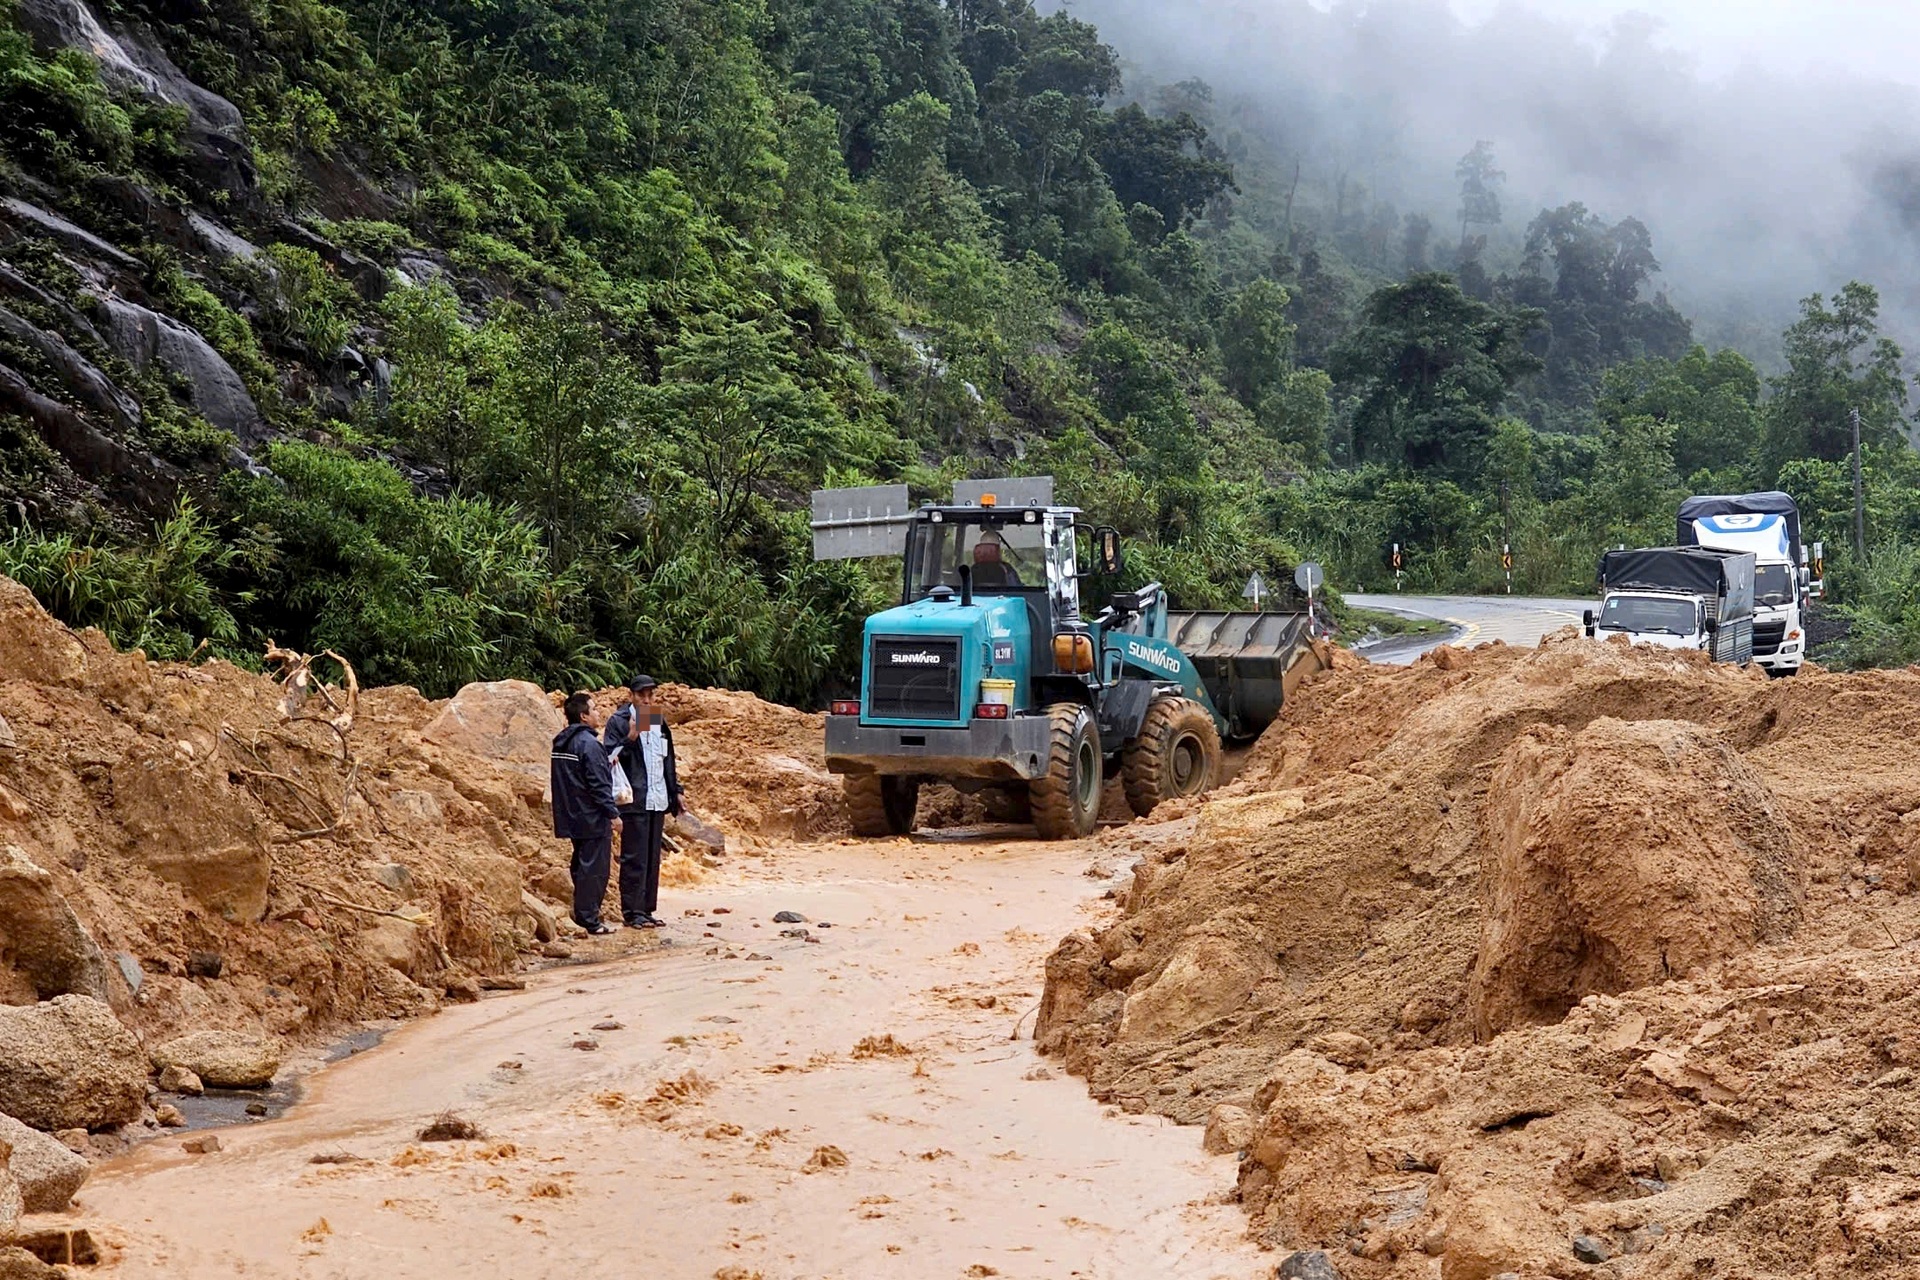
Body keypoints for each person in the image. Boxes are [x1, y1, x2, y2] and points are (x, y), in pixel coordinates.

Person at [603, 675, 684, 929]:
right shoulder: (619, 720)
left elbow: (665, 760)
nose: (647, 700)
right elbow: (609, 757)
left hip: (657, 799)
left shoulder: (655, 718)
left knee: (651, 859)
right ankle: (632, 912)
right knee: (633, 858)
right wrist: (631, 738)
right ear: (631, 696)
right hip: (633, 800)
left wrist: (676, 791)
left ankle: (647, 909)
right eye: (642, 696)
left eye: (651, 695)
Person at [549, 692, 620, 936]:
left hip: (571, 815)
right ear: (583, 716)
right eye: (595, 709)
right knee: (595, 869)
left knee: (580, 864)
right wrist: (613, 814)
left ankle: (583, 913)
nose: (599, 713)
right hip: (591, 817)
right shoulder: (590, 745)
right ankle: (589, 919)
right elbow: (598, 784)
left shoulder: (561, 743)